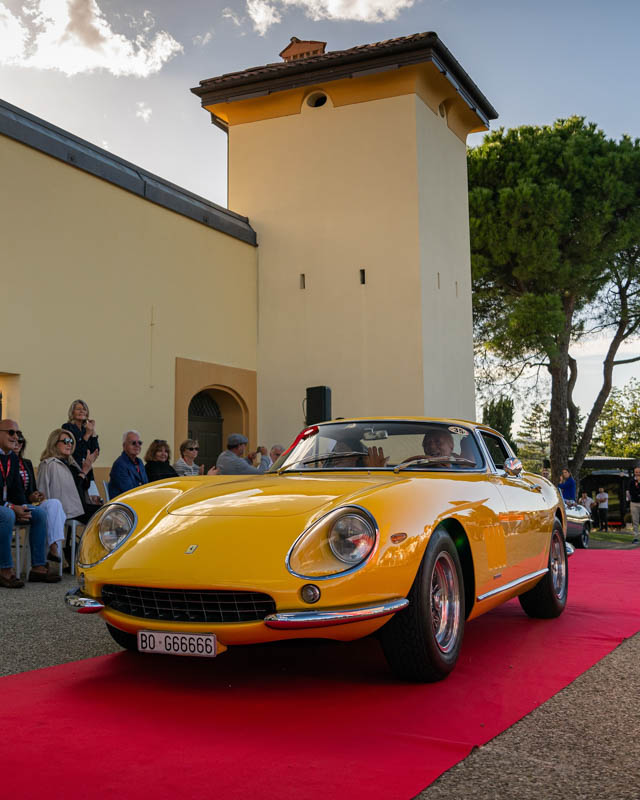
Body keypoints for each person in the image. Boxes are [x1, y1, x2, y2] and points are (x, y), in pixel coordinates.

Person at [0, 419, 58, 587]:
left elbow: (18, 492)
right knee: (7, 514)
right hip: (4, 510)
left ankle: (38, 567)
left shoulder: (11, 458)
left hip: (8, 507)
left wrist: (25, 506)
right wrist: (12, 507)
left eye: (18, 434)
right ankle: (4, 570)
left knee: (39, 513)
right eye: (11, 432)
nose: (16, 437)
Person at [12, 434, 66, 563]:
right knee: (44, 514)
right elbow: (11, 491)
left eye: (21, 441)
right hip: (16, 505)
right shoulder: (6, 462)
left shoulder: (26, 463)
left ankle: (54, 547)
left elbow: (32, 488)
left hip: (29, 504)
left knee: (55, 504)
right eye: (15, 441)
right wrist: (28, 498)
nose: (18, 444)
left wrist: (36, 495)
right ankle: (52, 551)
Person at [38, 429, 102, 526]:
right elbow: (71, 490)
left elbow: (82, 486)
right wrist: (83, 471)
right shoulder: (50, 464)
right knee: (107, 513)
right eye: (66, 441)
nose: (69, 444)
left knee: (110, 510)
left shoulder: (71, 463)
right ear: (55, 443)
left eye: (71, 442)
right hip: (68, 509)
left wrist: (87, 468)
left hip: (79, 507)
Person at [62, 399, 99, 482]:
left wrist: (93, 432)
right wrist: (87, 435)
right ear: (72, 412)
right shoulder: (67, 427)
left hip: (88, 471)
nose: (81, 411)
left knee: (95, 495)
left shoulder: (86, 429)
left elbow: (96, 451)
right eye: (78, 409)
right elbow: (74, 450)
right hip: (74, 471)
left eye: (84, 409)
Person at [108, 431, 149, 498]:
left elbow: (146, 485)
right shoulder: (120, 464)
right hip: (124, 504)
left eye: (139, 443)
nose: (137, 445)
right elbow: (129, 491)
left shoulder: (140, 462)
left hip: (138, 499)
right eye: (133, 443)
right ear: (124, 446)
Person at [626, 466, 640, 544]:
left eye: (639, 472)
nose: (638, 473)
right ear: (634, 472)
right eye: (636, 472)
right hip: (634, 503)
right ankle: (636, 538)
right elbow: (631, 491)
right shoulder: (631, 481)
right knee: (635, 521)